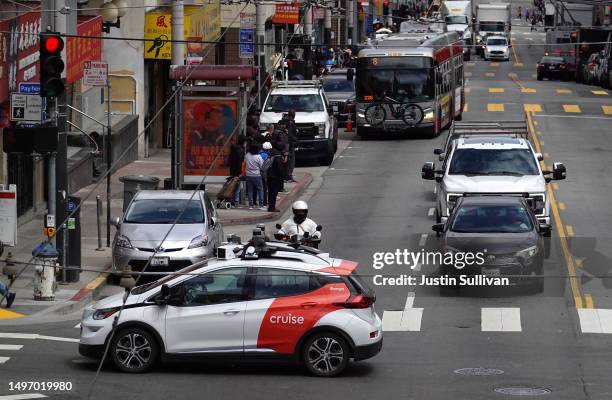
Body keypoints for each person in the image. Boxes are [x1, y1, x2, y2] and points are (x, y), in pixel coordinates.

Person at [266, 141, 286, 212]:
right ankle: (272, 207)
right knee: (274, 193)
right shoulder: (278, 156)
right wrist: (282, 176)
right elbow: (279, 169)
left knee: (270, 192)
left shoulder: (271, 153)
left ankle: (270, 206)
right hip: (275, 177)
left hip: (269, 176)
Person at [245, 142, 265, 210]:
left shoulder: (247, 155)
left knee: (250, 190)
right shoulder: (258, 157)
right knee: (260, 189)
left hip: (248, 175)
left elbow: (245, 163)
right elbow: (262, 166)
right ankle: (261, 205)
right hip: (257, 175)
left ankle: (251, 205)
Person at [229, 136, 246, 208]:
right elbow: (239, 162)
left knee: (233, 187)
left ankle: (232, 202)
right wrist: (240, 173)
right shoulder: (240, 150)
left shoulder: (234, 148)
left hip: (232, 170)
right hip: (237, 171)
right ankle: (235, 203)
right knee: (237, 188)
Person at [285, 110, 298, 182]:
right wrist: (295, 139)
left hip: (289, 144)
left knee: (290, 161)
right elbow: (290, 135)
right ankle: (289, 176)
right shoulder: (290, 123)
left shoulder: (288, 122)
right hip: (290, 145)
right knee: (291, 161)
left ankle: (289, 175)